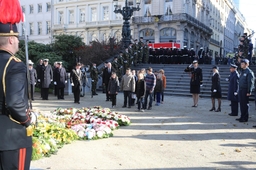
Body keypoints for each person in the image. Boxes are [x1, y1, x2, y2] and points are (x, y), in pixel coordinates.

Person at [0, 0, 35, 168]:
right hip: (12, 139)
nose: (19, 42)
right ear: (11, 40)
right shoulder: (14, 64)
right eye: (17, 39)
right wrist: (28, 119)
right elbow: (14, 103)